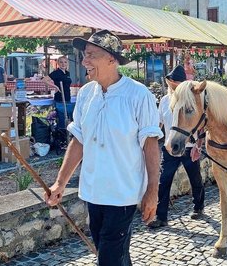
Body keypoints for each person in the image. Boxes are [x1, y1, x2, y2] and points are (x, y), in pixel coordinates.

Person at [45, 30, 162, 266]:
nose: (84, 61)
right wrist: (60, 182)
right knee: (112, 254)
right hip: (93, 191)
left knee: (108, 258)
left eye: (91, 55)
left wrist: (152, 191)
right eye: (84, 55)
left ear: (112, 59)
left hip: (123, 193)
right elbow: (79, 141)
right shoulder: (87, 94)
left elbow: (150, 146)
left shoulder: (138, 95)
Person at [148, 65, 205, 229]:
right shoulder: (165, 101)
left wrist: (198, 146)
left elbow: (200, 126)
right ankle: (161, 216)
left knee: (195, 179)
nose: (173, 85)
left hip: (189, 146)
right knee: (164, 181)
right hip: (170, 148)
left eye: (177, 83)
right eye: (171, 82)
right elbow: (158, 124)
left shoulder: (190, 101)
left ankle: (198, 206)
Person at [44, 56, 74, 130]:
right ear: (58, 63)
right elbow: (44, 80)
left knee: (69, 119)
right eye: (61, 62)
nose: (63, 64)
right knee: (62, 120)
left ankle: (68, 135)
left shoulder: (67, 73)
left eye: (65, 62)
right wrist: (55, 87)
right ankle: (61, 137)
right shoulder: (56, 72)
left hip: (67, 97)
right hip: (60, 98)